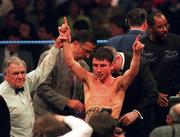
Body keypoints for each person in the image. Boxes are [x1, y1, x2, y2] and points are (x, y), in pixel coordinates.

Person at [59, 17, 144, 121]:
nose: (98, 70)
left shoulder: (119, 83)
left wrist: (136, 54)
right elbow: (70, 62)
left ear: (112, 65)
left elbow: (132, 72)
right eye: (95, 65)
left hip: (110, 128)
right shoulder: (88, 79)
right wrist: (65, 38)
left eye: (102, 65)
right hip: (90, 129)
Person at [0, 33, 62, 137]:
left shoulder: (26, 82)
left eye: (22, 72)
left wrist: (56, 45)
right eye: (16, 73)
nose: (20, 77)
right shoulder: (1, 95)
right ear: (5, 75)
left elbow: (43, 69)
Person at [33, 30, 96, 118]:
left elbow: (81, 95)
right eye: (86, 51)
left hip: (68, 119)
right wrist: (67, 102)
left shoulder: (85, 67)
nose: (88, 56)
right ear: (75, 44)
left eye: (90, 52)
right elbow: (41, 87)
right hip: (45, 116)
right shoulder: (50, 57)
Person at [105, 46, 158, 137]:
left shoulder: (140, 63)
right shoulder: (101, 67)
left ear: (117, 58)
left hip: (139, 123)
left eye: (111, 65)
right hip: (113, 124)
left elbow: (152, 93)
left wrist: (136, 112)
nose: (110, 69)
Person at [141, 10, 180, 127]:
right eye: (160, 27)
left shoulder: (177, 41)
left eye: (166, 25)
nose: (165, 29)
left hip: (176, 97)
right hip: (154, 99)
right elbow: (140, 75)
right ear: (150, 28)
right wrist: (155, 94)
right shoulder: (142, 45)